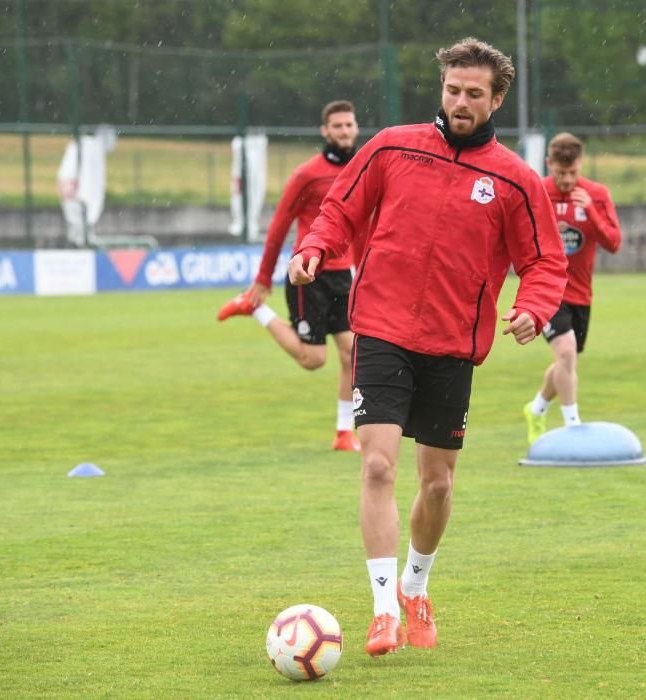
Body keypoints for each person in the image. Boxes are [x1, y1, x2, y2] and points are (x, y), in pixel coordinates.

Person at [288, 38, 567, 657]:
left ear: (496, 100)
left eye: (474, 94)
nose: (460, 102)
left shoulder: (516, 180)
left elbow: (546, 261)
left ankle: (416, 587)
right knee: (379, 465)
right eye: (452, 90)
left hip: (451, 345)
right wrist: (314, 248)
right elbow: (338, 210)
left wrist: (533, 308)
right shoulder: (391, 146)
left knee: (437, 485)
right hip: (382, 329)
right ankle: (383, 609)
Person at [217, 101, 362, 452]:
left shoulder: (362, 169)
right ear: (325, 132)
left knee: (352, 354)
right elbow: (280, 226)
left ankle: (344, 433)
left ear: (356, 128)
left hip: (345, 276)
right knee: (314, 360)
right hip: (307, 275)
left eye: (349, 124)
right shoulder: (306, 175)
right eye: (337, 126)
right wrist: (263, 278)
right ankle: (255, 310)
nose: (344, 131)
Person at [523, 132, 622, 444]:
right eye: (559, 172)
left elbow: (613, 243)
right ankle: (573, 428)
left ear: (580, 165)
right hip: (546, 290)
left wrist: (591, 210)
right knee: (565, 352)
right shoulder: (536, 191)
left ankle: (536, 409)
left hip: (581, 294)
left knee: (565, 361)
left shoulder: (597, 194)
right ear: (549, 164)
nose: (566, 180)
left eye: (572, 173)